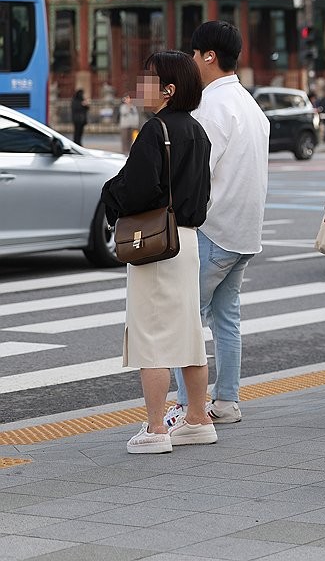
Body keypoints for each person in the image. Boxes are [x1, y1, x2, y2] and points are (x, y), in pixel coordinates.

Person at [101, 52, 214, 454]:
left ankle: (155, 428)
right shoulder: (198, 132)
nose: (139, 86)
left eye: (147, 80)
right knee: (189, 333)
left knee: (151, 335)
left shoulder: (156, 130)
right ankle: (199, 418)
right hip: (188, 240)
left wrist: (109, 195)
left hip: (156, 244)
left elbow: (138, 188)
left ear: (168, 89)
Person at [167, 21, 269, 427]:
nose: (191, 62)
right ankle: (226, 400)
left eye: (193, 54)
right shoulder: (249, 104)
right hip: (245, 231)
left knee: (184, 317)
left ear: (208, 56)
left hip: (212, 229)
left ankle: (186, 406)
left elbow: (195, 172)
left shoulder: (210, 107)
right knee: (227, 319)